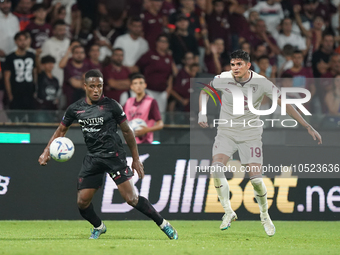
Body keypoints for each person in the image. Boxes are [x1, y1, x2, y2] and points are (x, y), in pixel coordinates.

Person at [38, 69, 178, 240]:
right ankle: (99, 226)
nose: (96, 90)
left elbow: (127, 132)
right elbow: (61, 130)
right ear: (85, 87)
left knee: (131, 199)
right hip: (93, 158)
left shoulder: (112, 106)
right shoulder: (75, 109)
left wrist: (135, 159)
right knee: (82, 202)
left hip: (114, 157)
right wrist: (46, 151)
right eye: (92, 86)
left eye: (99, 86)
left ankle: (164, 224)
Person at [198, 50, 322, 236]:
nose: (235, 68)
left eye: (239, 64)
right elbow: (204, 92)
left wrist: (306, 125)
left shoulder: (262, 82)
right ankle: (228, 211)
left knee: (256, 179)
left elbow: (285, 103)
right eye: (233, 64)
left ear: (248, 65)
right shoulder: (223, 78)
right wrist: (202, 112)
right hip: (226, 132)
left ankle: (264, 215)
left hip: (250, 134)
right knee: (216, 168)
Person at [136, 34, 175, 113]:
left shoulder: (169, 57)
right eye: (161, 41)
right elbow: (137, 67)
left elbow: (170, 75)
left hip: (162, 92)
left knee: (160, 115)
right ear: (157, 43)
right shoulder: (150, 54)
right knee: (147, 113)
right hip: (149, 90)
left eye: (165, 42)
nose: (163, 43)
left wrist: (168, 89)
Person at [124, 73, 164, 144]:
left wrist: (146, 130)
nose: (138, 85)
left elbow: (160, 124)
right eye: (135, 83)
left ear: (145, 85)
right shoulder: (128, 102)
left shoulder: (151, 102)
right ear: (132, 87)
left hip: (145, 143)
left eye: (141, 83)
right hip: (129, 143)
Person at [3, 31, 36, 110]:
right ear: (16, 42)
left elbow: (34, 73)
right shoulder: (10, 57)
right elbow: (7, 78)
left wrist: (35, 89)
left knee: (30, 117)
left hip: (29, 92)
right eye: (20, 40)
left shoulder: (31, 55)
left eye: (24, 40)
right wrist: (10, 94)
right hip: (16, 92)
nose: (23, 42)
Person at [40, 20, 70, 85]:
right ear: (54, 31)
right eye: (60, 30)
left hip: (68, 80)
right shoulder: (48, 44)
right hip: (53, 80)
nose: (62, 32)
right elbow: (42, 64)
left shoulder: (68, 42)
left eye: (64, 29)